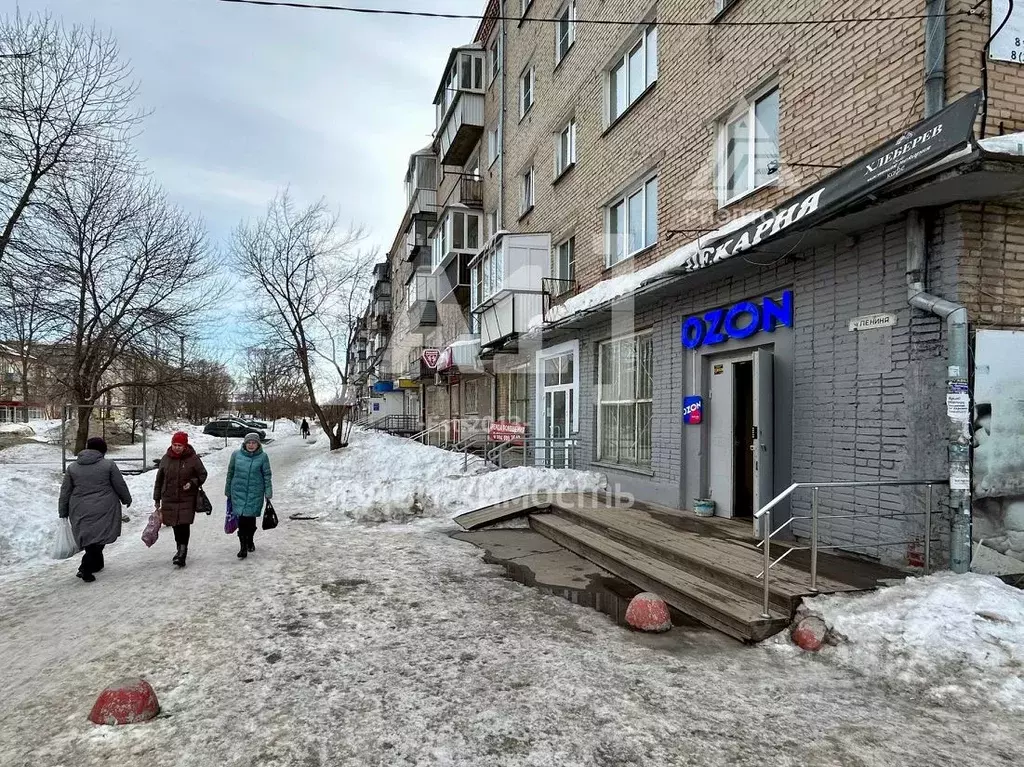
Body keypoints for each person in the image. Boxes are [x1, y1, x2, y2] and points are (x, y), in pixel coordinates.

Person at [58, 437, 132, 583]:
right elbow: (119, 484)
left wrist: (63, 510)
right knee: (100, 535)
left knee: (89, 536)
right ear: (103, 450)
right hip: (105, 506)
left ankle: (97, 563)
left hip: (79, 507)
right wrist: (126, 499)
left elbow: (65, 490)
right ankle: (85, 567)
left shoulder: (72, 467)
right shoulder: (108, 465)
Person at [153, 431, 208, 568]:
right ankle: (179, 548)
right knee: (175, 525)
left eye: (180, 445)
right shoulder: (166, 458)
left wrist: (193, 482)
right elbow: (159, 479)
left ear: (185, 445)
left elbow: (202, 474)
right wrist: (157, 498)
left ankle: (182, 552)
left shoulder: (193, 459)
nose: (177, 447)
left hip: (186, 497)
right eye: (175, 444)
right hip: (169, 497)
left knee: (183, 524)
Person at [225, 432, 273, 560]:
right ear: (245, 443)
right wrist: (228, 490)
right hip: (238, 492)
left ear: (258, 444)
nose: (251, 445)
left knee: (250, 521)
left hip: (255, 493)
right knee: (241, 520)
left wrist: (268, 492)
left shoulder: (263, 457)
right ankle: (243, 547)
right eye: (249, 443)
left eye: (254, 443)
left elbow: (267, 475)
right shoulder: (236, 455)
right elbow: (230, 472)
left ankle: (250, 539)